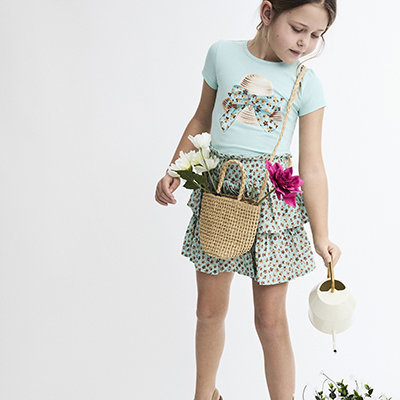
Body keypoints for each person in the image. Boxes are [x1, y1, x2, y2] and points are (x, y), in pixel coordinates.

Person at [155, 1, 341, 399]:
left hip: (274, 205)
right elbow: (202, 118)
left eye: (316, 35)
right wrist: (176, 167)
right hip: (222, 191)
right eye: (298, 29)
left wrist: (321, 234)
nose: (305, 43)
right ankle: (205, 395)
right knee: (208, 311)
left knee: (270, 321)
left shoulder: (307, 83)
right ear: (267, 13)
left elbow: (312, 165)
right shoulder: (222, 54)